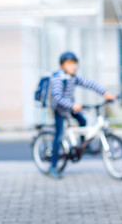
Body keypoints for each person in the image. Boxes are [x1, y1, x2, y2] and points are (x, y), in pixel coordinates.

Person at [49, 51, 116, 179]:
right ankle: (53, 166)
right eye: (70, 64)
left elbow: (89, 83)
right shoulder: (58, 78)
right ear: (62, 65)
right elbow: (57, 97)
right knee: (58, 136)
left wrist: (105, 93)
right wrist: (72, 104)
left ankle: (83, 145)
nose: (73, 66)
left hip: (70, 107)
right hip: (60, 109)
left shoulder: (73, 77)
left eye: (75, 64)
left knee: (83, 121)